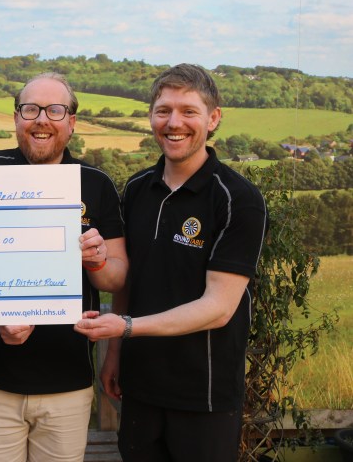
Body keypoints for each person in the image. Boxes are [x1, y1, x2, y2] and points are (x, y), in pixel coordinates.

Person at [74, 64, 269, 462]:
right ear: (151, 117)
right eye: (163, 110)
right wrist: (115, 354)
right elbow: (130, 279)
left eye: (188, 111)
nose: (173, 123)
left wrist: (126, 328)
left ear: (213, 119)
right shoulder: (137, 188)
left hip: (204, 395)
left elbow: (217, 308)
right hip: (141, 388)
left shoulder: (237, 198)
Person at [0, 72, 128, 461]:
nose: (41, 119)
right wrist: (0, 312)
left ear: (71, 122)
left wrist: (99, 260)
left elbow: (116, 277)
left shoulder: (96, 183)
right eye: (30, 109)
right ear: (16, 118)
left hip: (66, 384)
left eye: (55, 109)